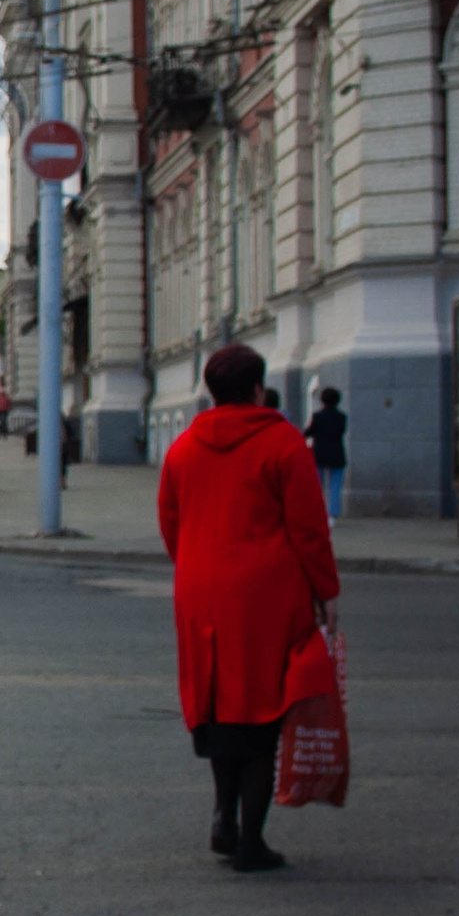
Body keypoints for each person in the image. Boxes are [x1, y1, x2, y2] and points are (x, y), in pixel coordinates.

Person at [157, 344, 340, 873]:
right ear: (258, 388)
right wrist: (325, 591)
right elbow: (309, 527)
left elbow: (171, 521)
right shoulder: (282, 442)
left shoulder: (185, 447)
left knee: (217, 706)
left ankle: (222, 816)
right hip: (267, 593)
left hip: (201, 589)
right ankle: (251, 840)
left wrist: (196, 565)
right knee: (263, 711)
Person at [305, 386, 350, 526]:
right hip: (337, 453)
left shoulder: (317, 416)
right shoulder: (342, 417)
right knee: (335, 486)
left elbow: (308, 432)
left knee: (318, 485)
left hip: (319, 453)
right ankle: (333, 514)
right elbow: (341, 432)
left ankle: (318, 512)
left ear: (322, 400)